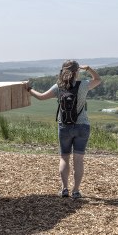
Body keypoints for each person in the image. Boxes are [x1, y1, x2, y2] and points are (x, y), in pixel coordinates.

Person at [25, 60, 101, 199]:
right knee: (78, 160)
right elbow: (98, 79)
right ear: (77, 71)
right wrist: (89, 68)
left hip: (64, 126)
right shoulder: (83, 85)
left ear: (63, 71)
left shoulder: (59, 86)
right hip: (82, 126)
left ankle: (64, 189)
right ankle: (76, 191)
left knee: (64, 157)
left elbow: (41, 97)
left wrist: (29, 89)